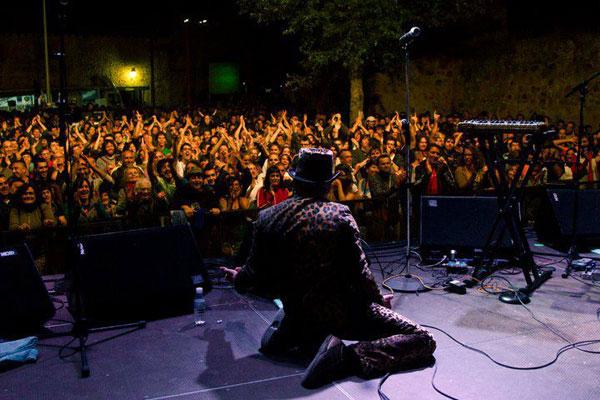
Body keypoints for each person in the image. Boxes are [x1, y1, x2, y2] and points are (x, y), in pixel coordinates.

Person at [221, 148, 436, 389]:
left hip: (298, 313)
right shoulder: (339, 215)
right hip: (343, 316)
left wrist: (237, 278)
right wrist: (377, 301)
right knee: (423, 339)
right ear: (327, 185)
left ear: (295, 180)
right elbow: (361, 273)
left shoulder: (268, 217)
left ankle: (291, 333)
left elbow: (253, 275)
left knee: (299, 306)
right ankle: (345, 357)